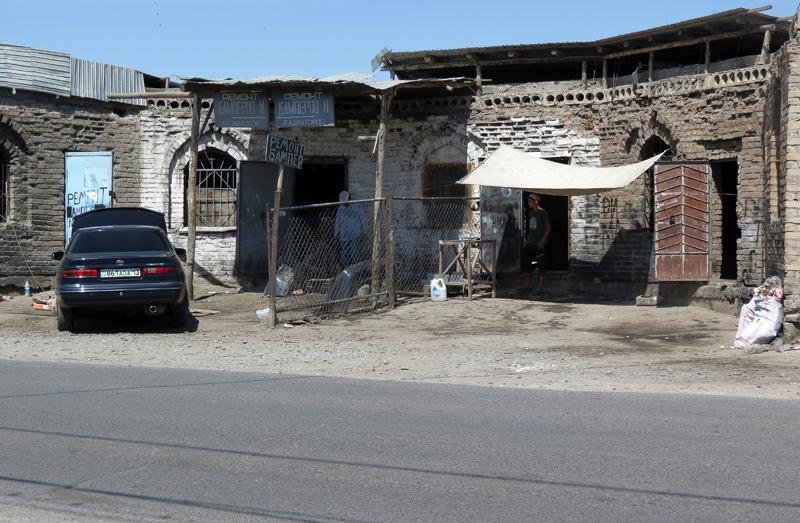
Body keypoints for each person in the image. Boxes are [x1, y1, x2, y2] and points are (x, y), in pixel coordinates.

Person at [521, 193, 550, 292]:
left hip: (539, 243)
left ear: (536, 202)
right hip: (530, 242)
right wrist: (527, 241)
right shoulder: (531, 214)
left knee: (541, 264)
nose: (528, 203)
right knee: (527, 263)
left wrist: (542, 240)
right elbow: (531, 230)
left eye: (530, 201)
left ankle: (540, 287)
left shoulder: (543, 213)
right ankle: (528, 284)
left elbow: (548, 228)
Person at [334, 190, 369, 269]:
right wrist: (336, 234)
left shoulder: (357, 206)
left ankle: (358, 270)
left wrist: (365, 232)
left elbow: (363, 219)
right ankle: (347, 271)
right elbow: (337, 222)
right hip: (344, 235)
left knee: (354, 254)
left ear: (349, 199)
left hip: (355, 234)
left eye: (346, 202)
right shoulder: (340, 208)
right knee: (343, 256)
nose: (345, 204)